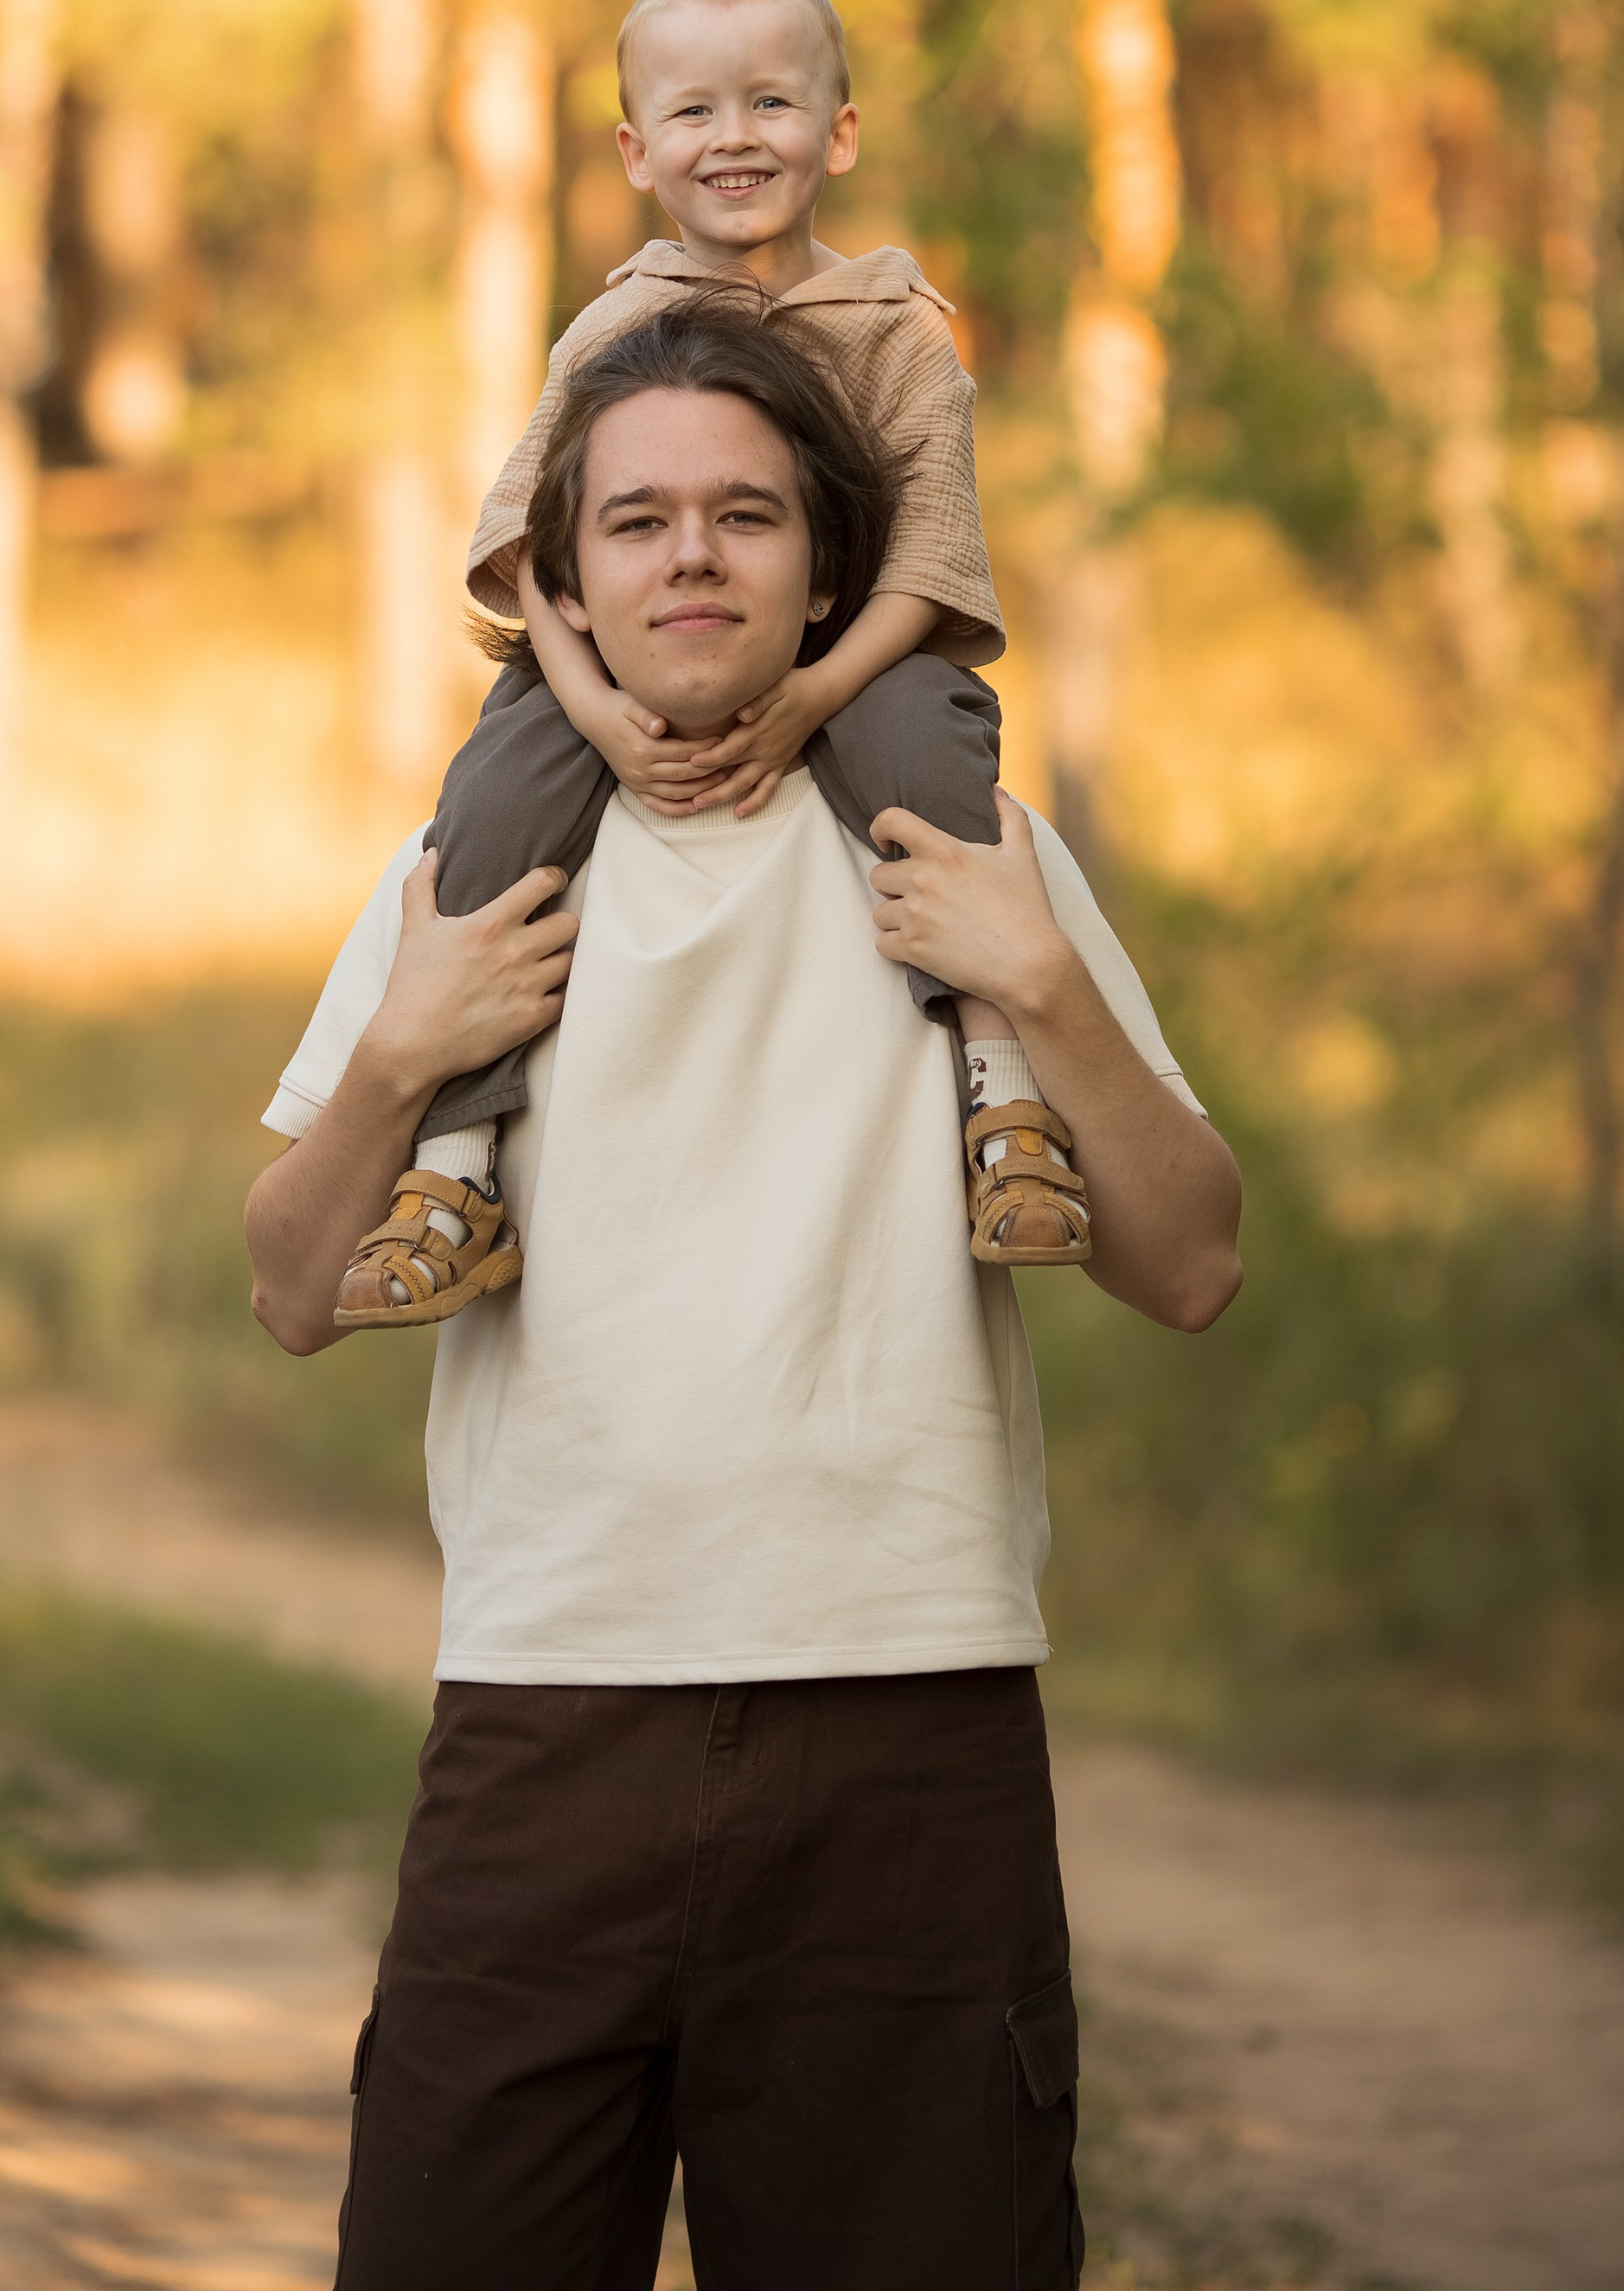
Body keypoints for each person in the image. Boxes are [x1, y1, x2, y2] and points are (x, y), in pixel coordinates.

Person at [245, 305, 1243, 2290]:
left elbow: (1191, 1262)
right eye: (633, 522)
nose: (688, 556)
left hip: (907, 1726)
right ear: (566, 587)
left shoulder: (961, 852)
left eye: (743, 515)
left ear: (825, 569)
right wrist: (396, 1051)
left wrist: (1033, 985)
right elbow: (287, 1292)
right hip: (544, 1724)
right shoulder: (470, 870)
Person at [333, 0, 1088, 1334]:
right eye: (692, 113)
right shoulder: (613, 331)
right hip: (615, 662)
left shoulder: (900, 332)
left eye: (771, 104)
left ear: (840, 131)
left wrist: (817, 696)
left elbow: (930, 559)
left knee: (927, 747)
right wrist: (600, 710)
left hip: (851, 649)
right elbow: (527, 552)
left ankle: (1006, 1103)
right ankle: (455, 1165)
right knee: (493, 800)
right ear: (633, 150)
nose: (733, 138)